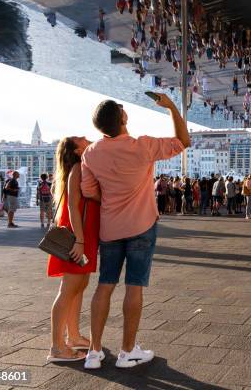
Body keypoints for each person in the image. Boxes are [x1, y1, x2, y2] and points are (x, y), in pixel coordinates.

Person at [81, 95, 189, 369]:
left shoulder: (91, 153)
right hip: (141, 225)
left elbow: (89, 191)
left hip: (110, 228)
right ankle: (127, 351)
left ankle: (94, 352)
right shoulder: (144, 146)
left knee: (105, 285)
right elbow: (183, 141)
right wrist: (172, 108)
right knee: (134, 285)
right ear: (123, 119)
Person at [47, 136, 100, 363]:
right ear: (78, 150)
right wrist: (79, 240)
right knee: (69, 288)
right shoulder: (78, 168)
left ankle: (74, 335)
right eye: (82, 139)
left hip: (83, 234)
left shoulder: (82, 166)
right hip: (79, 236)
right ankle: (57, 347)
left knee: (79, 286)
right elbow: (72, 206)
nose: (87, 138)